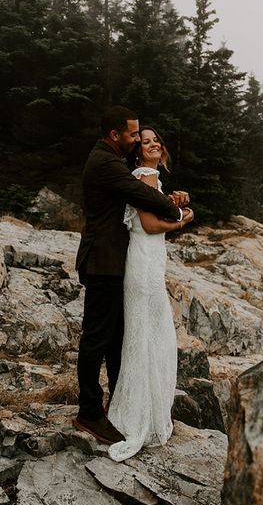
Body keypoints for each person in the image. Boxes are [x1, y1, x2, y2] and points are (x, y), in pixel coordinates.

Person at [74, 106, 191, 445]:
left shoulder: (113, 161)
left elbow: (142, 198)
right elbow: (141, 195)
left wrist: (169, 198)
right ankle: (89, 412)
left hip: (116, 261)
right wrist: (182, 212)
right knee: (97, 338)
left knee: (115, 338)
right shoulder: (107, 163)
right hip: (103, 261)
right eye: (133, 133)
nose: (138, 138)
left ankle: (120, 404)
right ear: (115, 135)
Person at [107, 126, 193, 462]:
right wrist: (182, 220)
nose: (154, 143)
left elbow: (156, 214)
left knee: (149, 335)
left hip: (150, 261)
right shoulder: (144, 176)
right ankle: (138, 418)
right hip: (143, 263)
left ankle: (146, 412)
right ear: (138, 151)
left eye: (156, 139)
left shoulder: (152, 179)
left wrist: (174, 203)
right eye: (145, 141)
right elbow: (149, 226)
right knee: (147, 336)